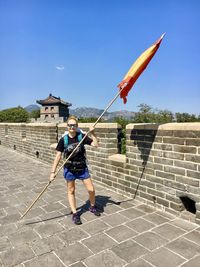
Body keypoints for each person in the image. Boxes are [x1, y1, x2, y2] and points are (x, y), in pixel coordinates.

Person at [49, 116, 100, 225]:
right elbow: (58, 156)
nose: (72, 127)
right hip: (70, 169)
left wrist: (93, 133)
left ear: (77, 126)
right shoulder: (64, 140)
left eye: (74, 125)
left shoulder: (82, 136)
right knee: (71, 191)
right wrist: (52, 172)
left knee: (91, 189)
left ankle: (92, 206)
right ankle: (75, 213)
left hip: (82, 168)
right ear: (67, 126)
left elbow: (96, 145)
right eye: (70, 125)